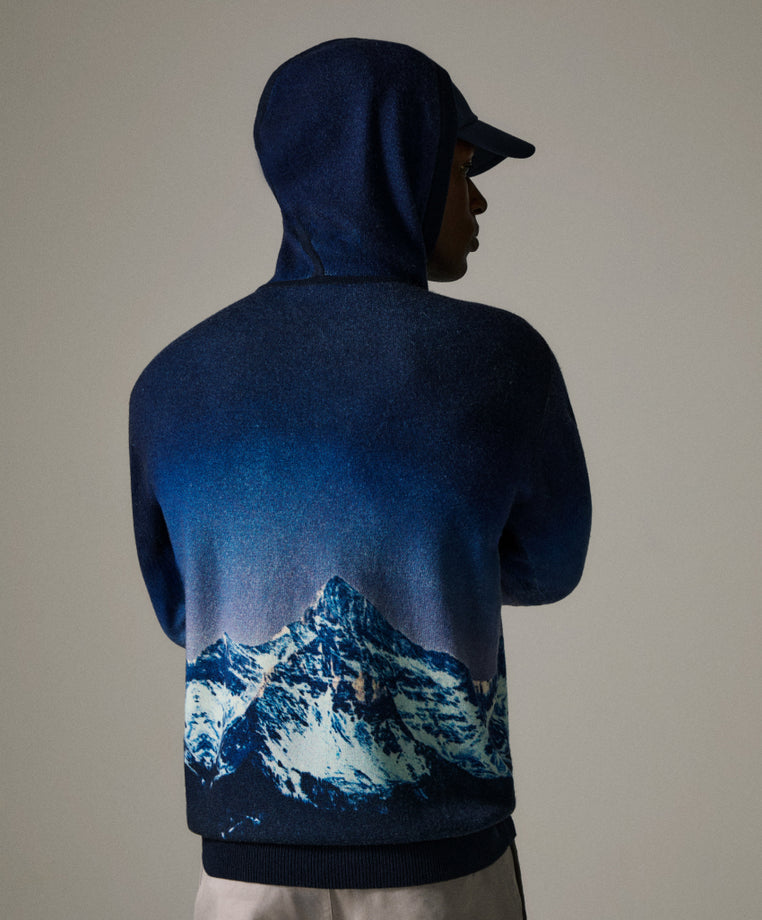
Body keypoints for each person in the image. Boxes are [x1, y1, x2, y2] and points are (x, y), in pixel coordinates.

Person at [129, 38, 591, 919]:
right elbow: (551, 565)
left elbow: (182, 609)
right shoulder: (500, 360)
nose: (479, 198)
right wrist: (427, 562)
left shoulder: (169, 381)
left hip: (244, 875)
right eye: (462, 167)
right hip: (444, 874)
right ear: (399, 167)